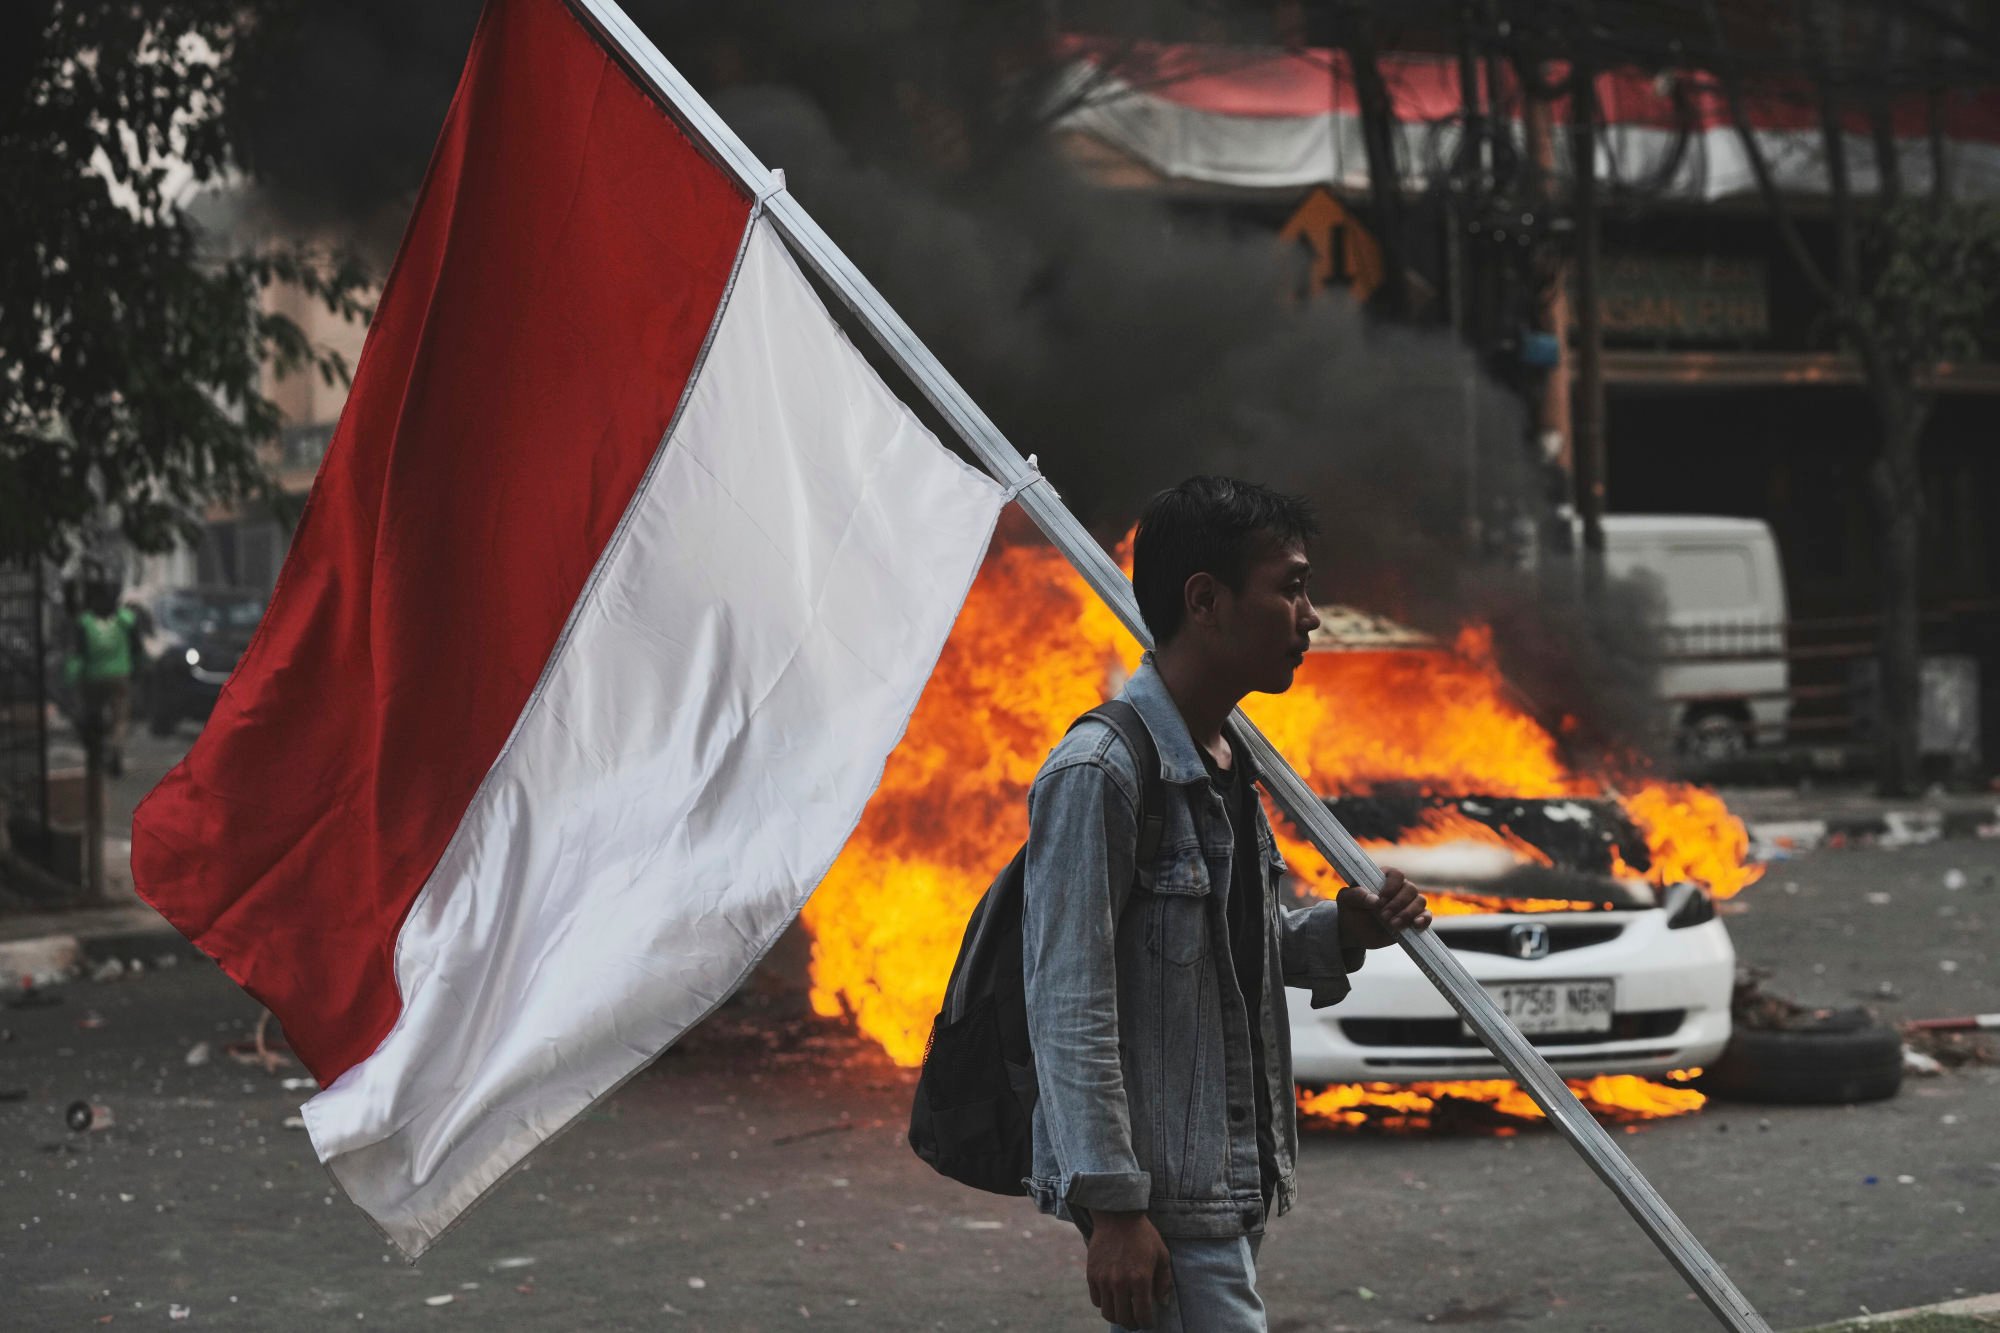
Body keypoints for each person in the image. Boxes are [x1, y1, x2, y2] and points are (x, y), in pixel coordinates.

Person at [1021, 476, 1431, 1331]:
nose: (1312, 614)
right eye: (1290, 586)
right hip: (1164, 1206)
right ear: (1205, 601)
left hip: (1229, 1184)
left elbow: (1219, 948)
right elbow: (1068, 1003)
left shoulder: (1231, 761)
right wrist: (1116, 1209)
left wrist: (1337, 932)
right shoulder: (1100, 771)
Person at [65, 581, 141, 779]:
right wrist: (137, 668)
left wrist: (73, 675)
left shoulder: (86, 622)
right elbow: (136, 647)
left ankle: (96, 751)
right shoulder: (124, 620)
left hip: (93, 676)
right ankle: (115, 747)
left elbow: (79, 652)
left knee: (93, 713)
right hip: (120, 675)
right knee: (120, 717)